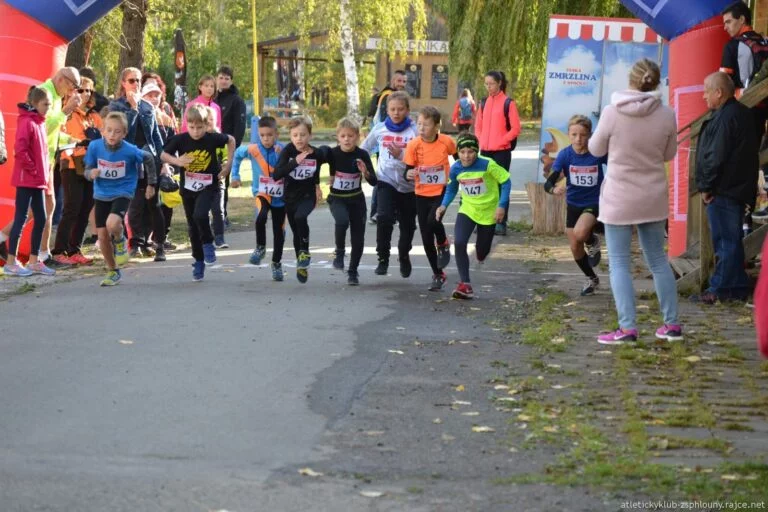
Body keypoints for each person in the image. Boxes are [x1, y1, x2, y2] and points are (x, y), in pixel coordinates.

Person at [589, 58, 681, 345]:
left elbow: (595, 149)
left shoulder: (612, 112)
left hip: (619, 198)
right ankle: (672, 324)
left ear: (631, 79)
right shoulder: (667, 114)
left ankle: (627, 328)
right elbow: (668, 154)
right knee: (657, 261)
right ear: (654, 82)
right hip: (652, 196)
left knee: (619, 263)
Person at [0, 67, 82, 269]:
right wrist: (66, 111)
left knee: (45, 208)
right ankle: (38, 255)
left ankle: (18, 245)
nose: (72, 92)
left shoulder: (55, 94)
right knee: (43, 208)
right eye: (72, 86)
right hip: (36, 163)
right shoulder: (46, 93)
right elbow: (40, 126)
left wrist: (70, 139)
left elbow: (49, 131)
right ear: (62, 79)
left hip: (46, 160)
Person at [695, 72, 759, 304]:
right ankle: (737, 285)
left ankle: (720, 288)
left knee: (725, 241)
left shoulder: (726, 117)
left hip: (724, 189)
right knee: (730, 240)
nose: (703, 96)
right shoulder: (738, 113)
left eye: (706, 91)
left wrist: (706, 186)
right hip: (735, 187)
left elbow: (716, 156)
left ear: (719, 92)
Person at [161, 105, 235, 282]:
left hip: (209, 186)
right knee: (193, 227)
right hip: (188, 189)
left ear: (206, 125)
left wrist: (228, 165)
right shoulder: (180, 139)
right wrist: (177, 160)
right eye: (192, 127)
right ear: (187, 124)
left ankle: (209, 242)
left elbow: (231, 140)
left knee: (200, 214)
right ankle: (199, 260)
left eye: (200, 127)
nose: (195, 132)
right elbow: (163, 155)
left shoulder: (212, 138)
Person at [84, 112, 156, 286]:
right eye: (108, 130)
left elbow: (148, 158)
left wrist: (151, 184)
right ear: (103, 130)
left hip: (123, 191)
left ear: (124, 133)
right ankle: (113, 270)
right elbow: (87, 169)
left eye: (117, 132)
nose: (112, 135)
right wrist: (91, 173)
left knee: (112, 223)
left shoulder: (130, 150)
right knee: (102, 237)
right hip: (101, 193)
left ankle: (121, 239)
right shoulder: (94, 147)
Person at [436, 133, 510, 299]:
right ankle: (465, 284)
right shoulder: (456, 168)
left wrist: (501, 206)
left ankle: (481, 252)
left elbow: (505, 181)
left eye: (470, 152)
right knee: (460, 242)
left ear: (477, 151)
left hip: (489, 211)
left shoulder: (488, 164)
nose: (466, 156)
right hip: (468, 209)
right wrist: (443, 205)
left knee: (482, 252)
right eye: (462, 152)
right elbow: (452, 188)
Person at [544, 115, 605, 296]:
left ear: (590, 135)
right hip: (573, 204)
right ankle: (591, 278)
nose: (579, 139)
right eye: (574, 135)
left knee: (580, 233)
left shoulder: (597, 153)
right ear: (569, 135)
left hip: (594, 202)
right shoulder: (565, 155)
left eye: (583, 135)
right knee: (574, 246)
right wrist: (553, 189)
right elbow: (549, 182)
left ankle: (592, 240)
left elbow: (618, 166)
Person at [109, 68, 167, 259]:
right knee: (134, 204)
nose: (136, 84)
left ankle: (158, 244)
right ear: (124, 83)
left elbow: (156, 138)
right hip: (129, 161)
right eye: (132, 81)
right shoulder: (116, 107)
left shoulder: (148, 107)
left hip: (150, 160)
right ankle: (136, 243)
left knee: (154, 204)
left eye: (139, 81)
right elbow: (121, 133)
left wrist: (164, 161)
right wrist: (133, 110)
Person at [361, 91, 419, 277]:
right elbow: (364, 149)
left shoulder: (415, 131)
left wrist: (402, 156)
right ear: (387, 110)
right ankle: (383, 258)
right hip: (386, 181)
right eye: (392, 109)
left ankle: (403, 255)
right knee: (384, 218)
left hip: (409, 185)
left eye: (400, 109)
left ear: (407, 110)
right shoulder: (379, 128)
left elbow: (424, 154)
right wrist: (364, 167)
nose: (396, 113)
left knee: (407, 225)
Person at [4, 87, 55, 277]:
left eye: (49, 104)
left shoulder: (40, 123)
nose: (48, 108)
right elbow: (20, 149)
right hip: (27, 179)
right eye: (45, 104)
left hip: (38, 181)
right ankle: (11, 262)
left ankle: (34, 260)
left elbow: (41, 151)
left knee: (41, 217)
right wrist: (33, 169)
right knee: (21, 218)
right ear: (34, 104)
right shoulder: (27, 122)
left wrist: (44, 171)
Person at [51, 76, 103, 266]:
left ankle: (74, 249)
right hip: (71, 164)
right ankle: (58, 251)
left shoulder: (94, 116)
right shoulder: (66, 112)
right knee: (71, 208)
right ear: (73, 90)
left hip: (91, 165)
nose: (85, 94)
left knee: (86, 207)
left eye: (89, 90)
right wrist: (79, 141)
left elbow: (104, 137)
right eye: (81, 90)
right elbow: (58, 134)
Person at [403, 106, 455, 291]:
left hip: (441, 190)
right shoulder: (413, 145)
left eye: (426, 124)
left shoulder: (446, 142)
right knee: (425, 237)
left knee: (433, 221)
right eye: (419, 124)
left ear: (437, 125)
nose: (422, 128)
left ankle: (442, 242)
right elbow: (406, 171)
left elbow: (460, 158)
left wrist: (460, 176)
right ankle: (438, 274)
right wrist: (409, 173)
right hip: (421, 193)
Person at [273, 116, 329, 284]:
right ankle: (301, 265)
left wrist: (319, 184)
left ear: (309, 136)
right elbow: (276, 174)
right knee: (296, 231)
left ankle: (305, 251)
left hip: (308, 195)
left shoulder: (315, 153)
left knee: (300, 217)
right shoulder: (288, 152)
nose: (299, 138)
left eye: (303, 135)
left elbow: (324, 160)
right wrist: (295, 162)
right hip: (290, 197)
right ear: (290, 136)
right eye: (295, 135)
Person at [231, 116, 286, 280]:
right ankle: (260, 247)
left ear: (276, 134)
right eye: (262, 135)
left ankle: (276, 263)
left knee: (279, 232)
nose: (266, 139)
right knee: (260, 217)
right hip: (261, 193)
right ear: (258, 134)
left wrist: (283, 155)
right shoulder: (253, 149)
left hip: (280, 197)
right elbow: (237, 155)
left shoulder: (282, 149)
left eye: (269, 135)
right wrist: (235, 175)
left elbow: (294, 165)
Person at [326, 117, 376, 285]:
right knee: (341, 221)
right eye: (343, 136)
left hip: (356, 200)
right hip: (337, 198)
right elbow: (314, 158)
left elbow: (374, 181)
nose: (347, 139)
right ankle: (339, 252)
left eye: (351, 136)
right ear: (338, 137)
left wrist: (365, 172)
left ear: (357, 137)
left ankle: (353, 272)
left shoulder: (362, 155)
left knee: (358, 239)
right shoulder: (332, 153)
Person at [475, 71, 521, 237]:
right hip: (485, 151)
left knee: (502, 185)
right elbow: (478, 126)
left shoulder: (508, 103)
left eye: (491, 84)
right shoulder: (483, 102)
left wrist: (502, 141)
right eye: (486, 84)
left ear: (499, 83)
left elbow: (516, 128)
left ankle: (501, 223)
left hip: (501, 151)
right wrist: (480, 140)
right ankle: (484, 220)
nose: (488, 87)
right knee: (485, 185)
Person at [368, 70, 408, 223]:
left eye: (404, 82)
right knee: (383, 176)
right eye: (399, 81)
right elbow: (387, 122)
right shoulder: (387, 96)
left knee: (393, 174)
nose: (402, 84)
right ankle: (377, 212)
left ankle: (389, 211)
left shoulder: (396, 96)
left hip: (395, 144)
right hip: (385, 143)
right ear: (393, 81)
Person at [214, 65, 247, 224]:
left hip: (227, 147)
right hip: (209, 146)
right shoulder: (211, 98)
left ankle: (222, 215)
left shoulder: (236, 100)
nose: (224, 81)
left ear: (231, 81)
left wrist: (232, 149)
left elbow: (239, 127)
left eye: (227, 78)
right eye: (221, 77)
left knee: (222, 182)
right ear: (216, 79)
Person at [202, 106, 229, 249]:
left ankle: (219, 237)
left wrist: (225, 166)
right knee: (202, 211)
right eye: (206, 120)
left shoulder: (220, 139)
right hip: (202, 181)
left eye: (211, 119)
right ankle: (205, 237)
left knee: (218, 209)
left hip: (217, 180)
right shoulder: (197, 140)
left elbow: (225, 156)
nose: (209, 122)